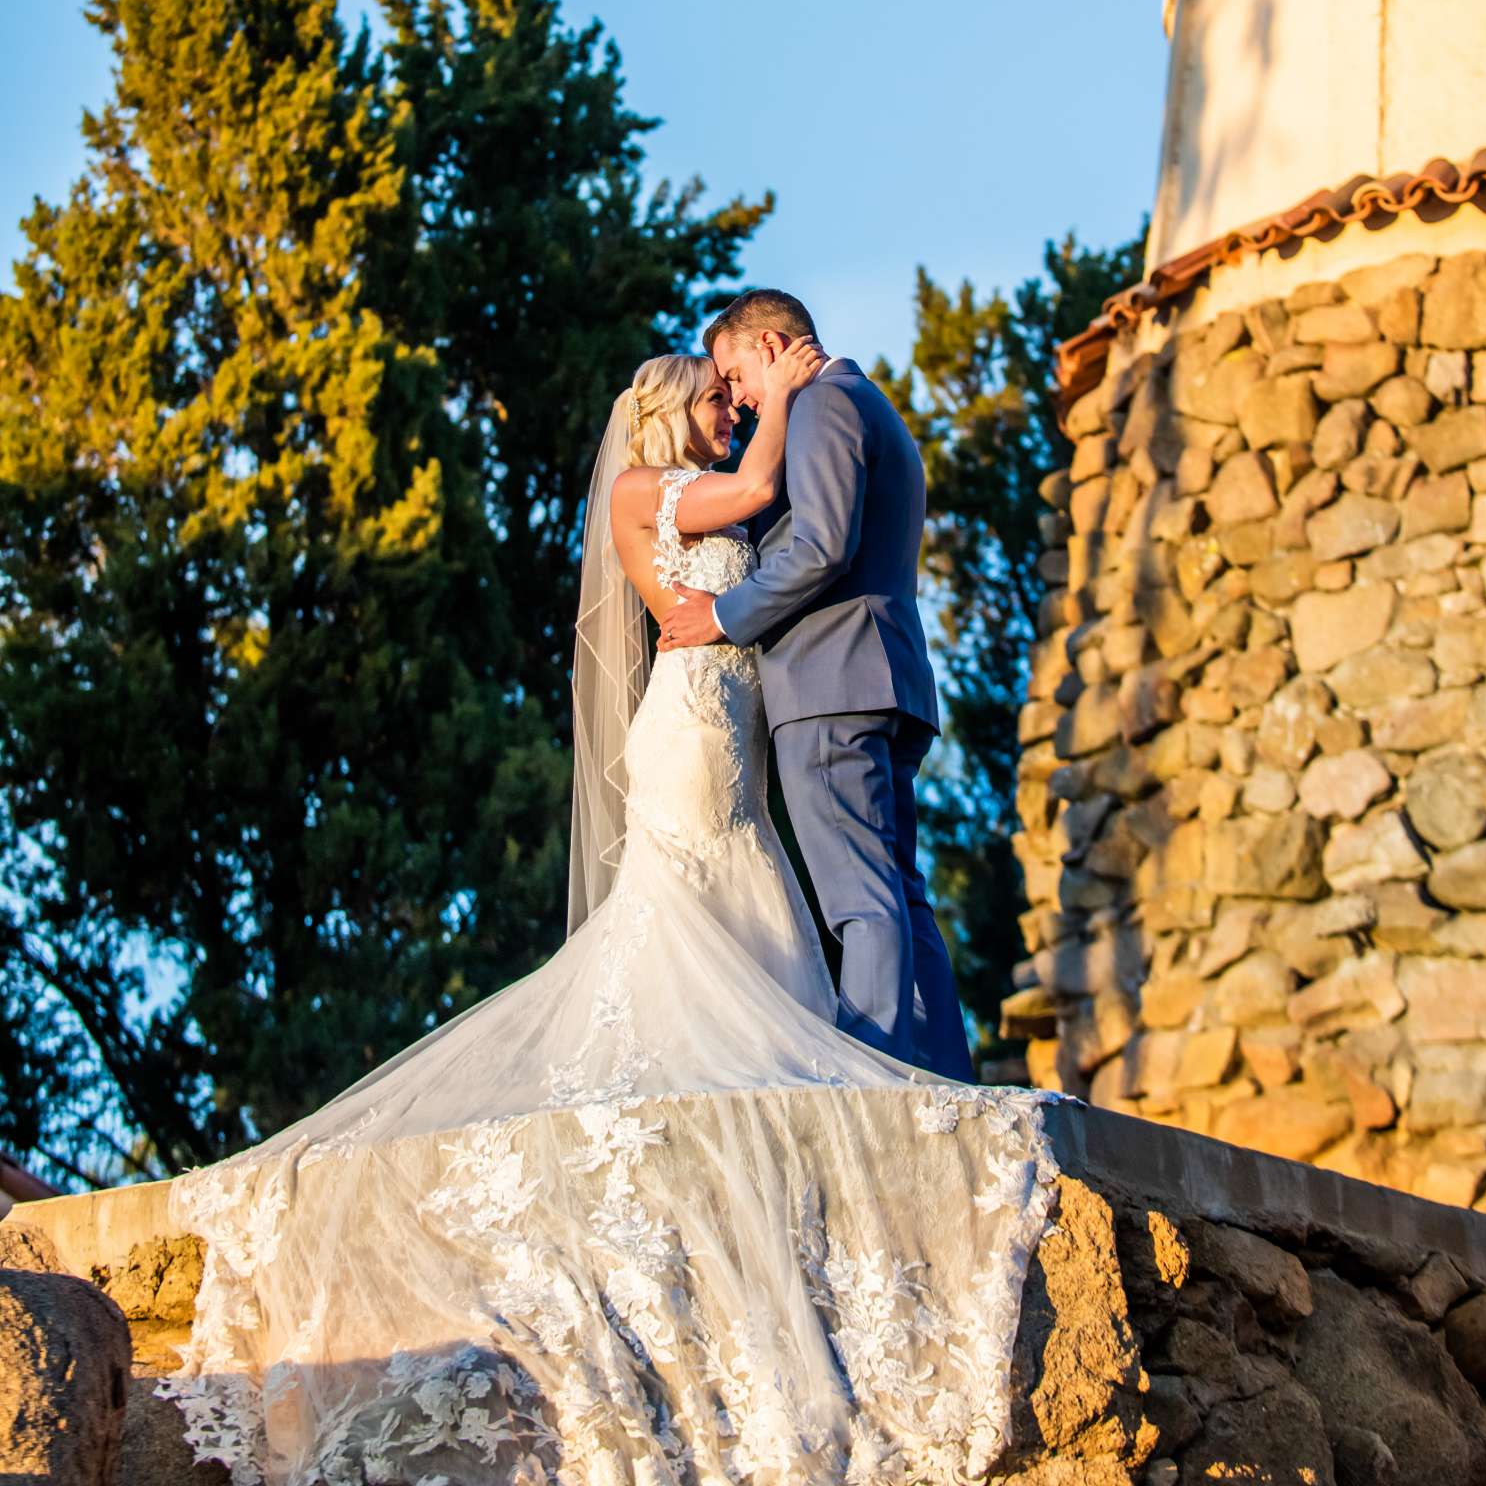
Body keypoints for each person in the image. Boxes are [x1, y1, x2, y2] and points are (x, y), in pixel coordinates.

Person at [162, 345, 1058, 1486]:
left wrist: (791, 413)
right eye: (715, 399)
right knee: (694, 897)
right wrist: (784, 395)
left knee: (759, 904)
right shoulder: (650, 489)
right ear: (665, 410)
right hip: (688, 729)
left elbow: (784, 514)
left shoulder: (703, 476)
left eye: (737, 398)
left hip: (735, 721)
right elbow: (751, 501)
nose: (731, 411)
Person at [661, 287, 973, 1081]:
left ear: (769, 346)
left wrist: (724, 616)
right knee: (899, 893)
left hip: (831, 683)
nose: (735, 400)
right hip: (883, 675)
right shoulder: (867, 403)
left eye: (733, 377)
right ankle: (939, 1074)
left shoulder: (824, 406)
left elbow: (822, 546)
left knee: (859, 901)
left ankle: (871, 1078)